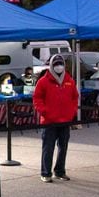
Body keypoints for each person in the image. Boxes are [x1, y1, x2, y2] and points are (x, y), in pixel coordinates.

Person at [33, 55, 79, 183]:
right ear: (52, 66)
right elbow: (37, 98)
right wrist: (45, 111)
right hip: (49, 121)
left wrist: (72, 111)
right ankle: (45, 172)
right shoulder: (43, 81)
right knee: (48, 147)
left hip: (65, 120)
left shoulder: (69, 80)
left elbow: (75, 97)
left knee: (63, 147)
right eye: (56, 64)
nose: (59, 66)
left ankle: (59, 171)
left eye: (61, 64)